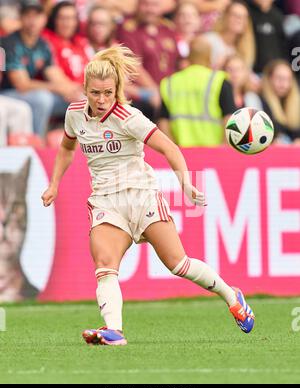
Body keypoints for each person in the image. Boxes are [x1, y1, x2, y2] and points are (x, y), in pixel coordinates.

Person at [41, 45, 255, 346]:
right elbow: (66, 147)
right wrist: (54, 184)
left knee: (177, 263)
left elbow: (170, 148)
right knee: (104, 264)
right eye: (94, 93)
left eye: (107, 93)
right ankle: (114, 330)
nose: (101, 100)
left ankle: (232, 296)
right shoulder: (75, 115)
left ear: (117, 90)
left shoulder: (129, 117)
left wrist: (185, 183)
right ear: (85, 90)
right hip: (105, 200)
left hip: (141, 196)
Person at [0, 2, 82, 137]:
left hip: (27, 94)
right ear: (20, 18)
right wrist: (57, 88)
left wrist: (72, 90)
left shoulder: (42, 44)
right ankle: (36, 144)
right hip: (8, 93)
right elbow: (22, 84)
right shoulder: (9, 42)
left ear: (44, 19)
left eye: (37, 16)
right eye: (28, 16)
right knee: (42, 98)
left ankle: (80, 146)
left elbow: (55, 74)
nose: (33, 21)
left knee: (81, 99)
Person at [159, 37, 236, 147]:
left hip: (182, 153)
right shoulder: (219, 80)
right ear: (210, 57)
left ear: (189, 57)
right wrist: (224, 148)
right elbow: (229, 119)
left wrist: (173, 149)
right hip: (213, 152)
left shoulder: (170, 82)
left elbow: (163, 122)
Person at [43, 1, 92, 85]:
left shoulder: (81, 42)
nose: (67, 23)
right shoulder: (45, 39)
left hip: (84, 91)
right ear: (54, 20)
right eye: (62, 18)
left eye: (71, 18)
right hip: (60, 91)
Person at [204, 0, 256, 69]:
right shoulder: (208, 40)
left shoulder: (245, 48)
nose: (240, 20)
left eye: (244, 17)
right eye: (235, 15)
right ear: (225, 17)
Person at [260, 59, 300, 144]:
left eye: (288, 79)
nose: (283, 84)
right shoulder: (260, 101)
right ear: (269, 79)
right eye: (279, 78)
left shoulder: (296, 104)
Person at [248, 0, 288, 74]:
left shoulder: (277, 16)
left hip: (273, 73)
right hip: (252, 71)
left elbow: (283, 45)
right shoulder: (247, 11)